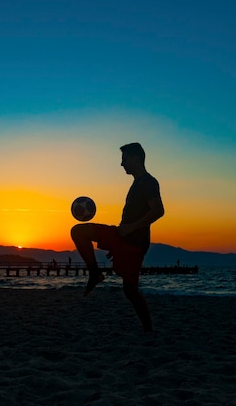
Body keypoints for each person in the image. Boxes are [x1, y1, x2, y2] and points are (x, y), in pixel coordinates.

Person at [70, 142, 164, 332]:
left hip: (134, 243)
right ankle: (95, 273)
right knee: (78, 231)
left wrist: (131, 228)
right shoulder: (137, 183)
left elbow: (158, 210)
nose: (122, 164)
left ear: (136, 158)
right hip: (122, 237)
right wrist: (120, 240)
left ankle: (148, 329)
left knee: (130, 291)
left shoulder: (148, 182)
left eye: (124, 159)